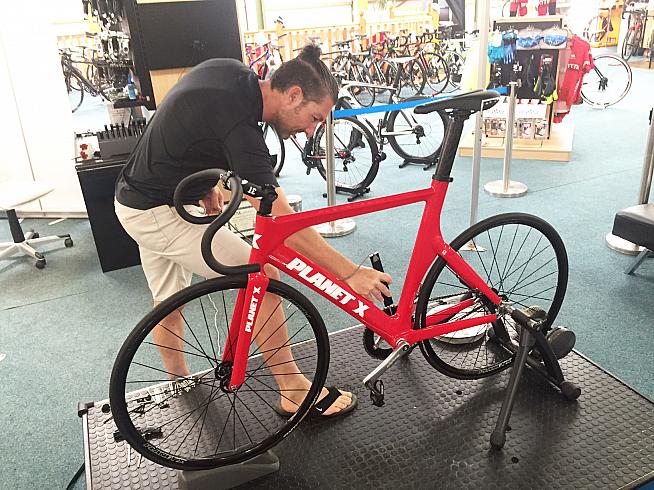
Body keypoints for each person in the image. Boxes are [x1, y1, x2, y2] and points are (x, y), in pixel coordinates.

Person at [114, 45, 392, 418]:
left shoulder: (233, 74)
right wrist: (350, 272)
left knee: (168, 299)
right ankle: (292, 389)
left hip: (139, 196)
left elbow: (189, 127)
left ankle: (180, 384)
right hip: (154, 211)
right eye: (313, 118)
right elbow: (283, 224)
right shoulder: (240, 122)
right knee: (259, 275)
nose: (311, 131)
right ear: (293, 94)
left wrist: (205, 183)